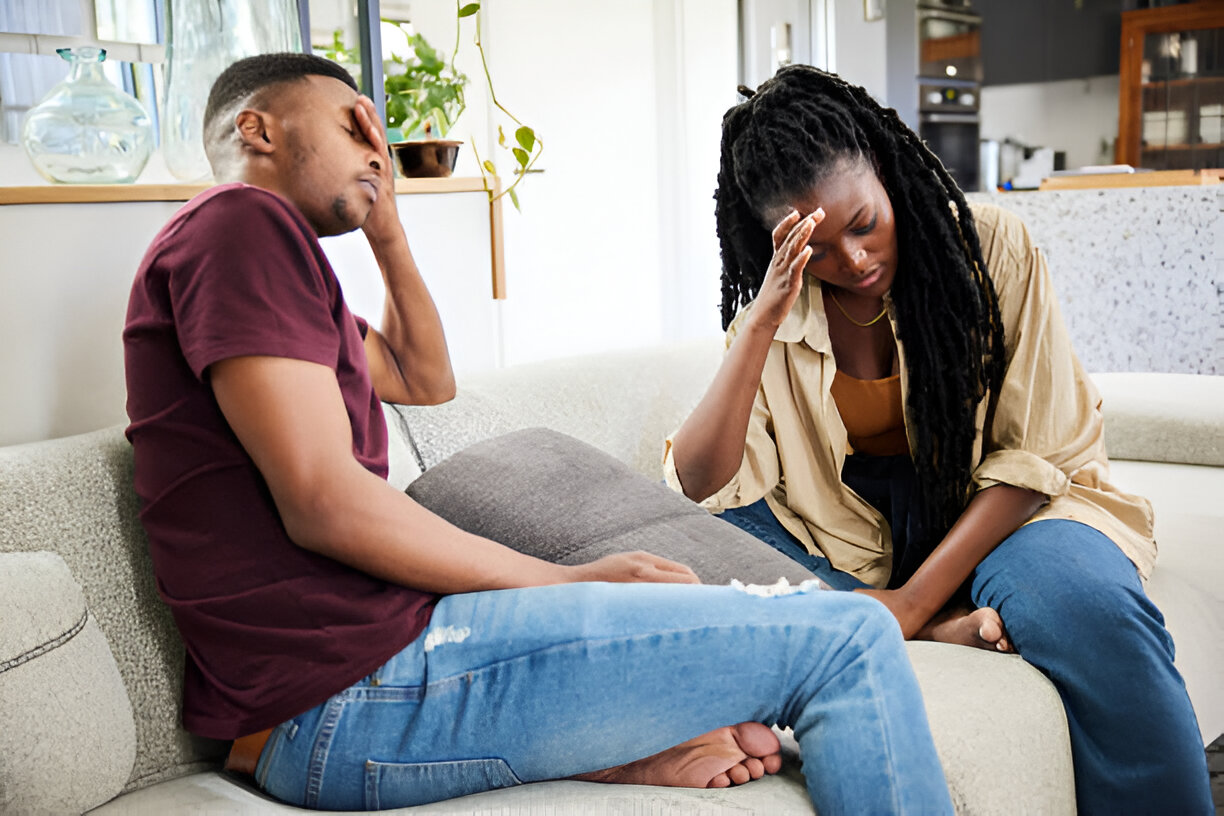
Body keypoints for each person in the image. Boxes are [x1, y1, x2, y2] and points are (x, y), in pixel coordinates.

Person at [122, 53, 955, 814]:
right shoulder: (239, 225)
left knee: (748, 686)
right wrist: (563, 580)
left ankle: (612, 746)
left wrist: (389, 231)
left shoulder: (279, 271)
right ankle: (615, 734)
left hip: (367, 676)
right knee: (851, 639)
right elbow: (322, 501)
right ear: (256, 128)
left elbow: (423, 379)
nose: (374, 147)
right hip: (344, 695)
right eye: (352, 124)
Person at [665, 64, 1213, 815]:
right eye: (818, 248)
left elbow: (1036, 456)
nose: (852, 261)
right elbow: (701, 483)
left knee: (1091, 607)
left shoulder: (991, 249)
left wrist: (911, 603)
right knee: (699, 552)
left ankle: (914, 618)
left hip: (1007, 509)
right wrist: (758, 324)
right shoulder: (781, 304)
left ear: (886, 175)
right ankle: (936, 625)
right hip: (848, 533)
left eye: (863, 224)